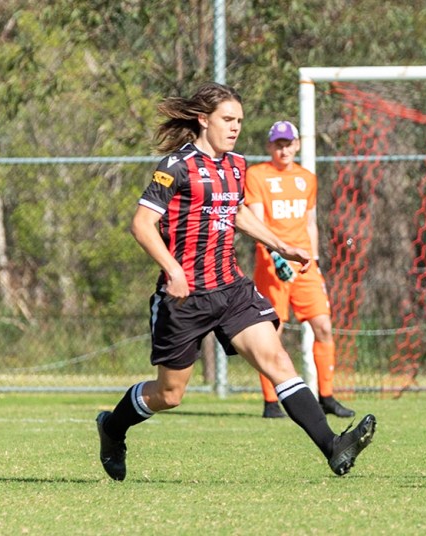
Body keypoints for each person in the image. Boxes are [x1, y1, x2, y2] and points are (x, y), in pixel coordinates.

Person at [94, 83, 376, 481]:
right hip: (185, 298)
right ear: (203, 119)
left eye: (239, 121)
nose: (235, 128)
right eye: (228, 119)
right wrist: (173, 269)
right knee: (169, 394)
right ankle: (112, 427)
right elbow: (142, 224)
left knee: (277, 360)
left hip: (231, 288)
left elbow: (237, 211)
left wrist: (282, 245)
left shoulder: (237, 165)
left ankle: (333, 446)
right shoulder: (177, 165)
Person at [245, 120, 356, 419]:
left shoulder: (307, 178)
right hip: (273, 266)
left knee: (323, 327)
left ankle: (327, 396)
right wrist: (275, 254)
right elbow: (256, 222)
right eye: (278, 144)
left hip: (305, 265)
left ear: (297, 145)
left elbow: (310, 223)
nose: (283, 149)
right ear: (270, 146)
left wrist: (315, 261)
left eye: (288, 143)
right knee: (271, 334)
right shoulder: (257, 175)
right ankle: (271, 402)